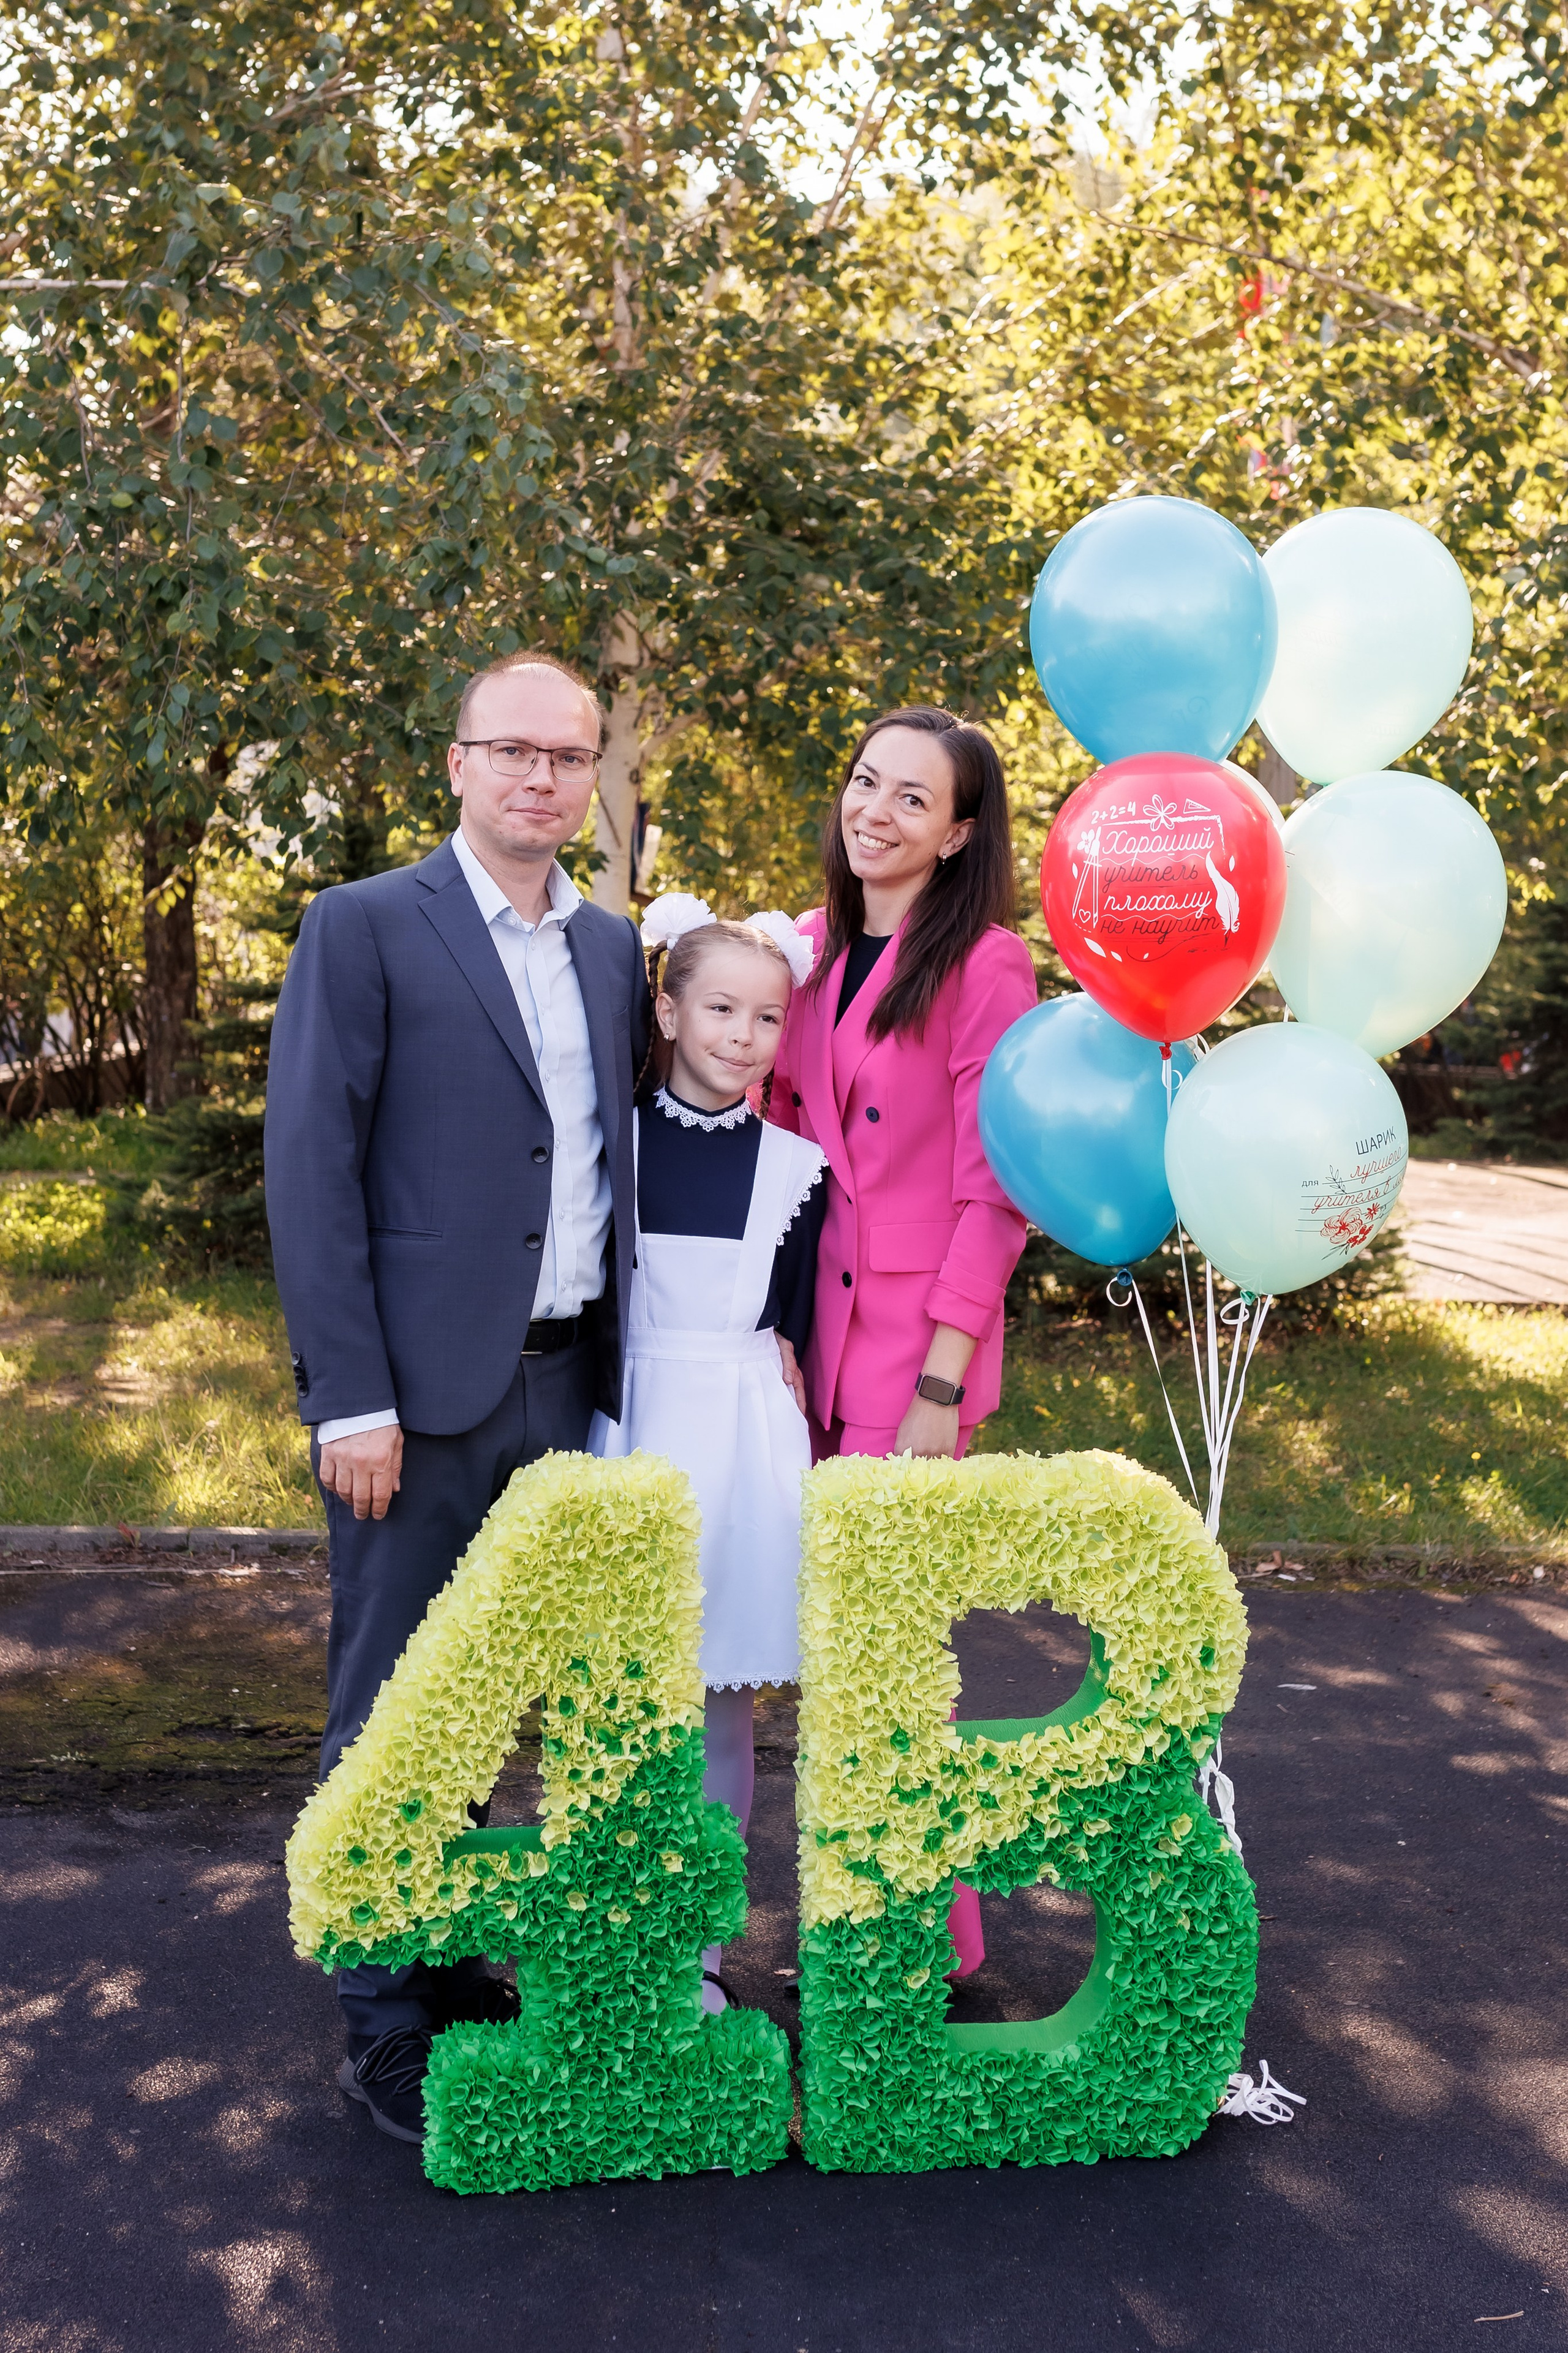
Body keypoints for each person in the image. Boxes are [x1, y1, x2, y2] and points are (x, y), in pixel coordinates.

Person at [265, 650, 650, 2143]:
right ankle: (380, 2020)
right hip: (414, 1404)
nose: (541, 777)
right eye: (513, 751)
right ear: (458, 764)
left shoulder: (614, 953)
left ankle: (444, 1950)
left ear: (592, 776)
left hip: (566, 1386)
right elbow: (311, 1170)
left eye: (568, 756)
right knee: (387, 1704)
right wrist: (345, 1392)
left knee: (493, 1702)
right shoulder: (364, 927)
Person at [770, 704, 1037, 1979]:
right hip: (805, 1350)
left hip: (909, 1359)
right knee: (833, 1661)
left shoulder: (985, 962)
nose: (873, 810)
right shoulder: (810, 949)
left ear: (958, 831)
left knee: (888, 1662)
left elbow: (998, 1187)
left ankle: (931, 1955)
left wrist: (943, 1374)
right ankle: (859, 1925)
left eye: (911, 798)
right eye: (864, 781)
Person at [590, 894, 826, 2012]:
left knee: (724, 1703)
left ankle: (701, 1945)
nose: (742, 1035)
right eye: (721, 1008)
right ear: (670, 1011)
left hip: (740, 1438)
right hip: (633, 1423)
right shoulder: (611, 1139)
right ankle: (614, 1930)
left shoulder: (797, 1167)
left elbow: (791, 1318)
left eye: (767, 1018)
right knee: (620, 1697)